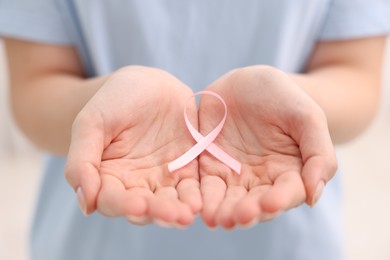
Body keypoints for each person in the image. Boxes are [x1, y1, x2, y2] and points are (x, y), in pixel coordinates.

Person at [1, 0, 389, 259]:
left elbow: (357, 75)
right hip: (95, 242)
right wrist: (100, 102)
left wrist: (296, 107)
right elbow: (34, 88)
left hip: (287, 241)